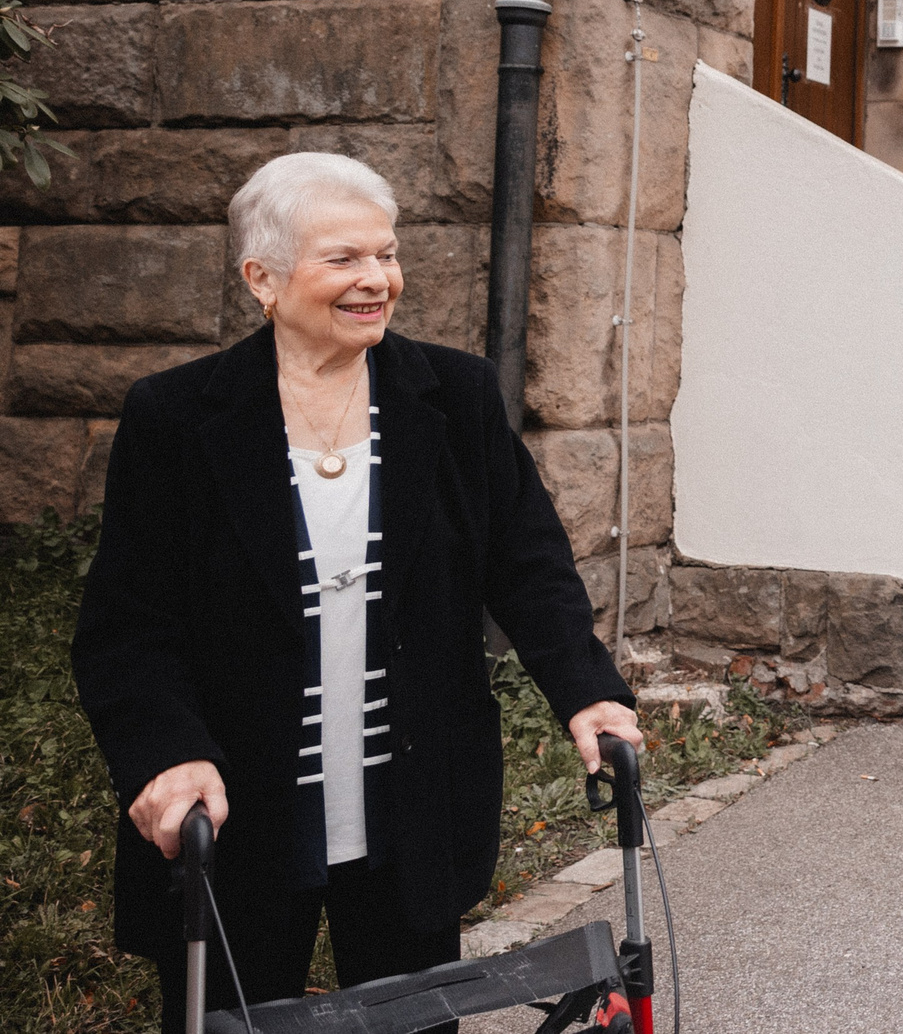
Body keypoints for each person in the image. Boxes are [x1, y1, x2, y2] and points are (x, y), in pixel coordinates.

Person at [72, 152, 637, 1032]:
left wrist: (588, 690)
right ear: (261, 277)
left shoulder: (452, 395)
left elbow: (528, 562)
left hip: (411, 802)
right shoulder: (177, 419)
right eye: (343, 258)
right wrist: (161, 752)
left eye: (387, 253)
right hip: (239, 815)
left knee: (416, 1018)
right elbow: (128, 628)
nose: (376, 278)